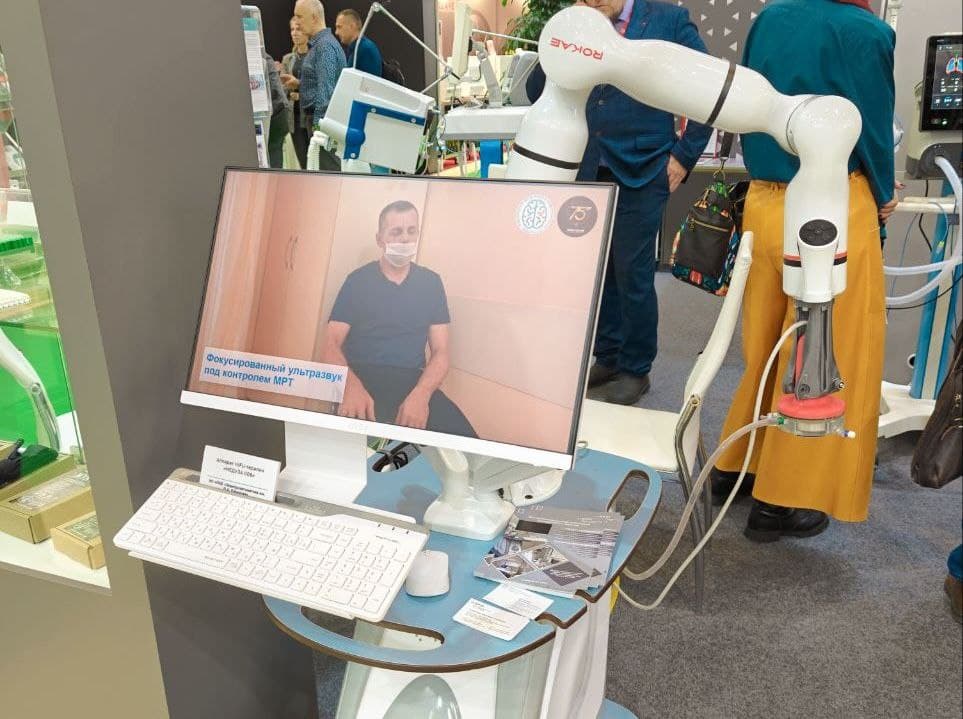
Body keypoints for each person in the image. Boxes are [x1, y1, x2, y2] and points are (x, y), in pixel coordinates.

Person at [709, 0, 897, 542]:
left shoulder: (771, 18)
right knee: (823, 354)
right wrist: (884, 191)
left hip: (765, 201)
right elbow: (870, 127)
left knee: (766, 344)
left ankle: (737, 466)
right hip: (831, 203)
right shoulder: (866, 31)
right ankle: (781, 499)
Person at [528, 0, 713, 406]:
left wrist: (683, 157)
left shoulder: (668, 21)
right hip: (589, 164)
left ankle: (635, 368)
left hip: (645, 167)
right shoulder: (579, 22)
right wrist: (565, 30)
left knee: (633, 272)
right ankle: (608, 356)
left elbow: (709, 90)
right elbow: (536, 90)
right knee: (598, 272)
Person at [322, 201, 477, 437]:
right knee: (363, 449)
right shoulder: (358, 281)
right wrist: (349, 386)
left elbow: (441, 352)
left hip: (413, 382)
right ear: (380, 239)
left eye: (411, 231)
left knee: (466, 441)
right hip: (362, 378)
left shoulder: (431, 283)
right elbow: (330, 343)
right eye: (396, 232)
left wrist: (421, 395)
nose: (405, 239)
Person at [292, 0, 346, 171]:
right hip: (321, 122)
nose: (296, 23)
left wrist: (318, 129)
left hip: (323, 124)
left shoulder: (325, 47)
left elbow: (326, 92)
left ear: (314, 18)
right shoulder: (321, 45)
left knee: (328, 174)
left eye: (299, 17)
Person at [281, 17, 311, 168]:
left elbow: (321, 85)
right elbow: (283, 87)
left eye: (298, 29)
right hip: (295, 118)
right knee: (303, 163)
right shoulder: (288, 59)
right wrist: (288, 91)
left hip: (313, 116)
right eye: (292, 29)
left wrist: (300, 93)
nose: (294, 33)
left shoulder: (316, 57)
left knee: (317, 159)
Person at [263, 51, 292, 169]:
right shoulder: (265, 57)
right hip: (279, 112)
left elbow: (274, 92)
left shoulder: (261, 58)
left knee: (273, 160)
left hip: (276, 115)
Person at [334, 9, 383, 78]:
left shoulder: (365, 49)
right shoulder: (358, 48)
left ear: (352, 26)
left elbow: (369, 83)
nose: (336, 32)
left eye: (339, 27)